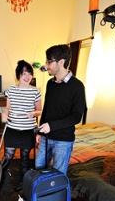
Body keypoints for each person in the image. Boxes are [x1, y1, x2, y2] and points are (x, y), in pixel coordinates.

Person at [34, 44, 86, 175]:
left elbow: (76, 117)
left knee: (58, 175)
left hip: (63, 140)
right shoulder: (50, 84)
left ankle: (54, 195)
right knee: (38, 167)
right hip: (46, 136)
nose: (46, 66)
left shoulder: (77, 86)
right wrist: (40, 132)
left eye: (49, 62)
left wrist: (51, 126)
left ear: (61, 62)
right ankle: (40, 195)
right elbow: (46, 109)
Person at [2, 60, 42, 183]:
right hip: (12, 128)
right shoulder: (11, 90)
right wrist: (4, 113)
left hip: (28, 130)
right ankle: (0, 179)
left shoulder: (35, 91)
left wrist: (34, 113)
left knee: (25, 159)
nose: (27, 77)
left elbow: (40, 110)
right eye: (24, 73)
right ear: (18, 75)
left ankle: (24, 183)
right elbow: (8, 107)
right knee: (8, 156)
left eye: (29, 73)